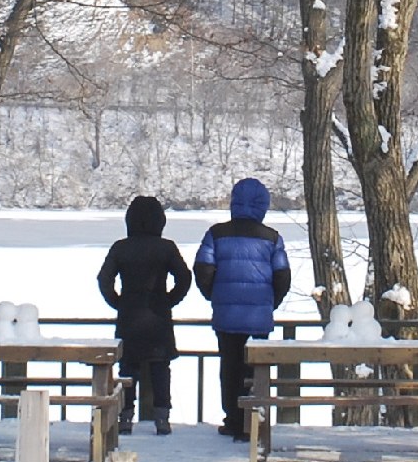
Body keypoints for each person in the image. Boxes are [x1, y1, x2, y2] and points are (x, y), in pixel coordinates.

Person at [195, 178, 292, 437]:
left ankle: (234, 420)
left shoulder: (216, 234)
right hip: (258, 316)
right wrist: (269, 303)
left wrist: (215, 296)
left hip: (226, 315)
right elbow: (283, 277)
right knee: (255, 370)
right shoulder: (272, 238)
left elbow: (203, 269)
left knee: (230, 367)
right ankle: (254, 421)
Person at [97, 195, 194, 436]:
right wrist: (169, 300)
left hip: (129, 313)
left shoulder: (121, 247)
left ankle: (126, 416)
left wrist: (118, 302)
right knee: (160, 367)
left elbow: (104, 279)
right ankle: (162, 418)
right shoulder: (166, 248)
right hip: (158, 313)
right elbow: (184, 277)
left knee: (128, 367)